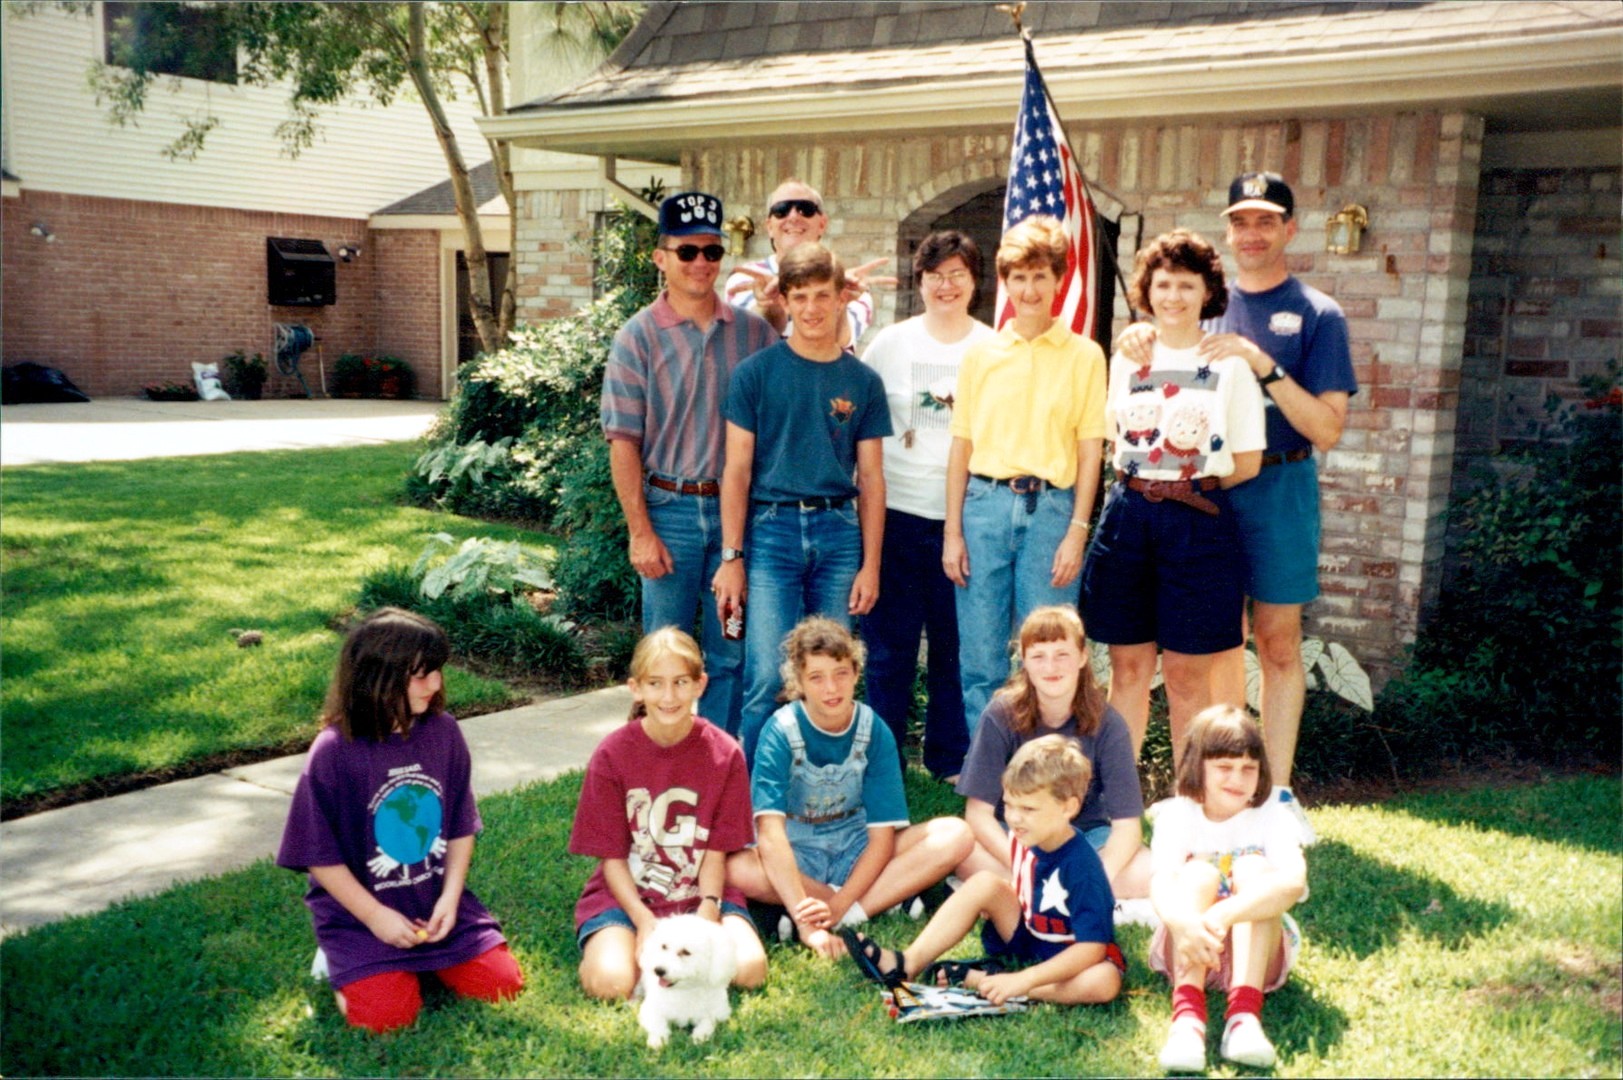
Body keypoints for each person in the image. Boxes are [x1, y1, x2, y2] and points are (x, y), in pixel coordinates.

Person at [1119, 172, 1357, 823]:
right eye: (1240, 221)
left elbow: (1327, 428)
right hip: (1203, 494)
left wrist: (1263, 364)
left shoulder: (1317, 314)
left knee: (1277, 642)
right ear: (1227, 231)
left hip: (1278, 485)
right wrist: (1136, 339)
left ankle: (1275, 794)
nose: (1252, 233)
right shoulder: (1202, 302)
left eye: (1266, 220)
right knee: (1218, 643)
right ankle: (1225, 788)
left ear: (1289, 229)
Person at [276, 608, 524, 1033]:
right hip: (362, 915)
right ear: (376, 679)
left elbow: (460, 825)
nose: (436, 684)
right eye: (421, 675)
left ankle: (413, 961)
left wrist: (450, 899)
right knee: (386, 1018)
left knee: (502, 985)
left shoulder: (443, 732)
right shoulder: (333, 751)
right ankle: (339, 958)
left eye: (438, 671)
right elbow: (318, 855)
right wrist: (375, 916)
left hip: (433, 902)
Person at [1082, 229, 1266, 762]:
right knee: (1128, 669)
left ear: (1208, 292)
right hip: (1130, 517)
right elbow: (1116, 440)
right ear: (1148, 290)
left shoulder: (1229, 363)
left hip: (1198, 522)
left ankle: (1189, 794)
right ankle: (1119, 792)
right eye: (1163, 285)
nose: (1174, 297)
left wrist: (1185, 487)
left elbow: (1247, 462)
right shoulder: (1129, 356)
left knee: (1187, 674)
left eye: (1187, 285)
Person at [602, 191, 778, 738]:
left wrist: (785, 311)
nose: (701, 262)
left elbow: (796, 380)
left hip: (736, 519)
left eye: (711, 250)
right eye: (687, 251)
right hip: (669, 513)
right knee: (663, 656)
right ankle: (655, 757)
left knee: (731, 652)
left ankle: (717, 760)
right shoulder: (636, 338)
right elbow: (623, 443)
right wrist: (640, 532)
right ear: (661, 258)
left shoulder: (754, 334)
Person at [713, 244, 892, 764]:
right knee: (767, 675)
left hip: (839, 533)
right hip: (772, 531)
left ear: (841, 299)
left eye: (822, 295)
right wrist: (732, 556)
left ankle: (823, 783)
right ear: (785, 301)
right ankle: (755, 796)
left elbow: (872, 478)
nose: (812, 308)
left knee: (830, 672)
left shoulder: (862, 381)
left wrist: (871, 565)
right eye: (800, 297)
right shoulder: (756, 374)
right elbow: (736, 471)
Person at [727, 617, 973, 958]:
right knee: (736, 868)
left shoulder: (873, 730)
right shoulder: (780, 731)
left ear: (857, 673)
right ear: (799, 682)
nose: (831, 688)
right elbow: (771, 835)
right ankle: (886, 896)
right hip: (796, 851)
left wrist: (841, 905)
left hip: (855, 847)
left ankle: (845, 913)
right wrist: (809, 927)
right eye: (816, 677)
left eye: (841, 673)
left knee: (956, 834)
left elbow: (881, 837)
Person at [945, 215, 1106, 733]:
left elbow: (1090, 451)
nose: (1029, 289)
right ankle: (988, 763)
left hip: (1052, 511)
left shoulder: (1085, 356)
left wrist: (1077, 531)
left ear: (1059, 280)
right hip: (985, 508)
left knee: (1050, 653)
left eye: (1040, 276)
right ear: (1005, 282)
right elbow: (961, 446)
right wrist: (953, 532)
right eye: (1018, 277)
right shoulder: (981, 354)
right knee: (981, 654)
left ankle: (1046, 761)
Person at [842, 735, 1124, 1007]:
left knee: (1104, 981)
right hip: (1031, 935)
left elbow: (1092, 948)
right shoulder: (1027, 837)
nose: (1014, 818)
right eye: (1009, 805)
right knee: (985, 883)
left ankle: (995, 983)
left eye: (1028, 808)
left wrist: (1024, 980)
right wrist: (999, 900)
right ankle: (907, 962)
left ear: (1068, 807)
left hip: (1073, 957)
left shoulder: (1084, 868)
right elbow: (1028, 886)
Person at [858, 230, 996, 780]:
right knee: (888, 648)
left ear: (975, 283)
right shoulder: (890, 344)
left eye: (957, 275)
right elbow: (860, 422)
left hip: (965, 519)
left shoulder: (992, 348)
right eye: (935, 276)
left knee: (953, 647)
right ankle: (884, 758)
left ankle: (949, 759)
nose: (946, 286)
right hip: (894, 517)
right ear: (919, 282)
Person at [569, 627, 767, 1000]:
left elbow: (716, 851)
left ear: (699, 684)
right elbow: (612, 859)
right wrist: (644, 921)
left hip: (701, 892)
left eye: (680, 682)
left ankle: (669, 967)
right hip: (629, 897)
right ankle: (624, 956)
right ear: (636, 688)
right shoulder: (612, 755)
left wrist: (708, 911)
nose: (669, 696)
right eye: (655, 684)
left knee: (749, 971)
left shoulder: (725, 754)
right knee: (610, 982)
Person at [955, 607, 1152, 906]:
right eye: (1038, 656)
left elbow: (1127, 825)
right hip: (1018, 835)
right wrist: (1024, 863)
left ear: (1083, 656)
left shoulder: (1109, 724)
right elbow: (978, 814)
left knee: (1151, 870)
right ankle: (1045, 886)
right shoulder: (1001, 715)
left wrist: (1098, 877)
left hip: (1086, 837)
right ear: (1023, 660)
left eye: (1062, 654)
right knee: (965, 853)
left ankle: (1041, 890)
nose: (1051, 666)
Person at [1149, 705, 1307, 1072]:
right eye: (1224, 767)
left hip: (1258, 955)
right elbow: (1161, 882)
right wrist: (1184, 923)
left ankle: (1243, 1019)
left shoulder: (1273, 815)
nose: (1238, 779)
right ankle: (1187, 1022)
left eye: (1249, 768)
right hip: (1188, 944)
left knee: (1254, 869)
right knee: (1198, 875)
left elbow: (1292, 882)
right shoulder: (1178, 815)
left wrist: (1225, 912)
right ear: (1197, 766)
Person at [724, 178, 889, 347]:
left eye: (805, 209)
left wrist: (840, 295)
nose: (793, 216)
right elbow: (751, 339)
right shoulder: (746, 278)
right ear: (770, 227)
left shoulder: (852, 285)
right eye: (781, 210)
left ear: (822, 224)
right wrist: (769, 303)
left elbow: (839, 343)